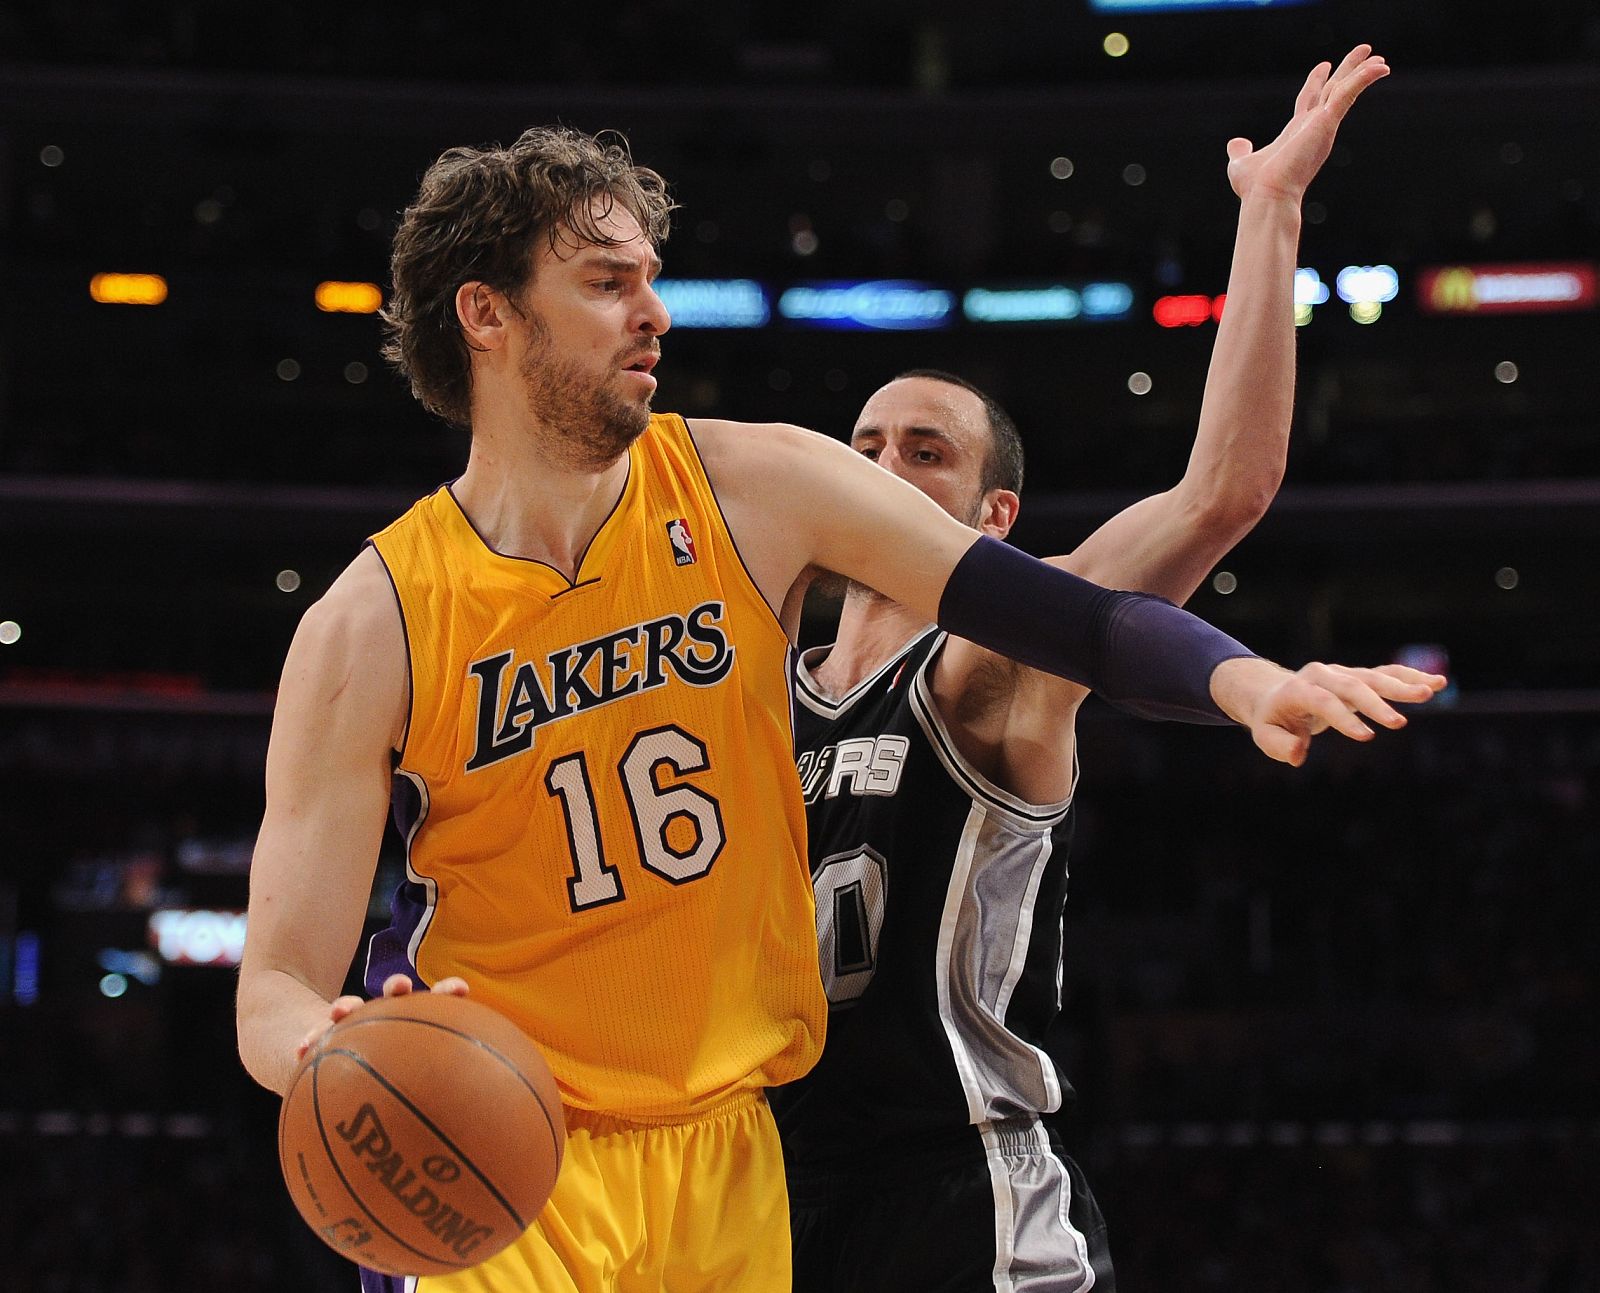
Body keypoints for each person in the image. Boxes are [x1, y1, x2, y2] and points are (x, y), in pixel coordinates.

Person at [235, 107, 1439, 1293]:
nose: (652, 310)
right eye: (606, 283)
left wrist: (1244, 680)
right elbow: (275, 983)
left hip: (736, 1156)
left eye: (651, 278)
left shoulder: (755, 486)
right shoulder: (370, 622)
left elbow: (1064, 614)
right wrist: (327, 1048)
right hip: (502, 1149)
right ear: (487, 315)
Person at [773, 47, 1402, 1293]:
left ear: (992, 517)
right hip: (768, 1190)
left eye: (925, 453)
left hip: (958, 1193)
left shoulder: (993, 659)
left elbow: (1223, 493)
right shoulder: (754, 684)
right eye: (864, 447)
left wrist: (1269, 213)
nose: (881, 471)